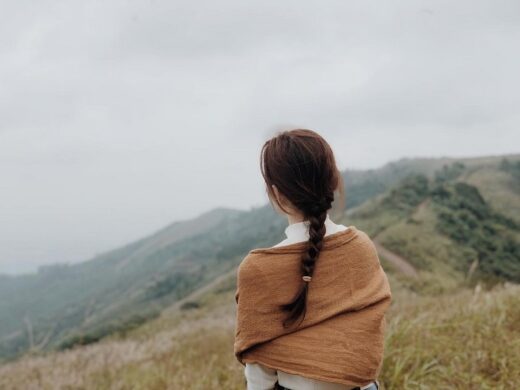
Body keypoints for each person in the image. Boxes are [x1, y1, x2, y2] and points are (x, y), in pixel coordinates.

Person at [234, 129, 391, 390]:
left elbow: (259, 374)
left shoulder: (259, 269)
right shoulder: (360, 246)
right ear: (332, 182)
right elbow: (368, 336)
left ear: (277, 194)